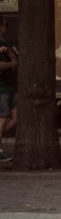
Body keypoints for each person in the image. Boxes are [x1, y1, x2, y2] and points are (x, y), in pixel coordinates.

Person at [0, 17, 16, 162]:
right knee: (3, 118)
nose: (6, 27)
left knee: (16, 116)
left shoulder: (5, 43)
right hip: (2, 86)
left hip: (10, 85)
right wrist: (12, 63)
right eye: (5, 25)